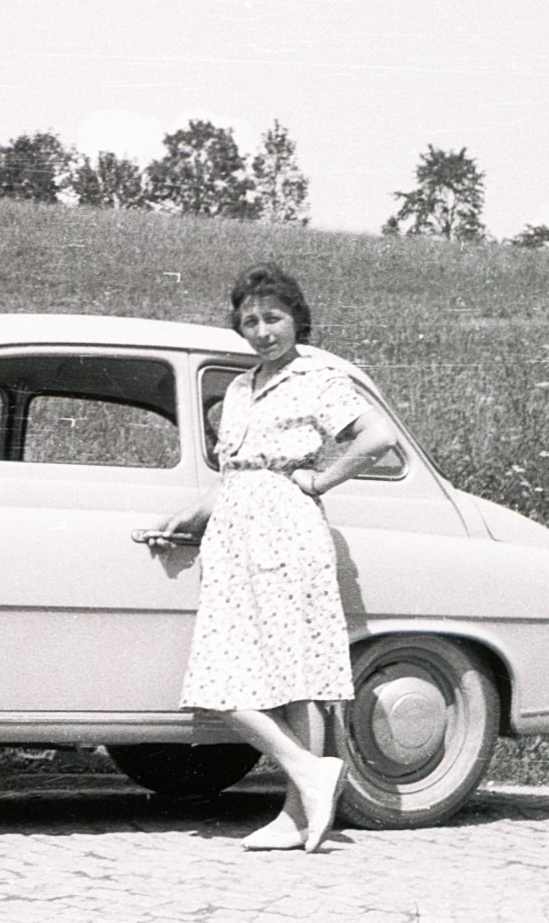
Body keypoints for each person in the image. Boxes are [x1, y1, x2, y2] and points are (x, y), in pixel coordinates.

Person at [157, 262, 397, 853]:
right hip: (236, 528)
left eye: (273, 318)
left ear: (296, 319)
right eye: (250, 321)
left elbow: (377, 436)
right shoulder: (241, 388)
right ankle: (308, 782)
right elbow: (232, 472)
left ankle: (300, 808)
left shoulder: (319, 376)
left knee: (295, 676)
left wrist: (322, 481)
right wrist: (185, 517)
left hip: (286, 528)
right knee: (233, 674)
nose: (262, 331)